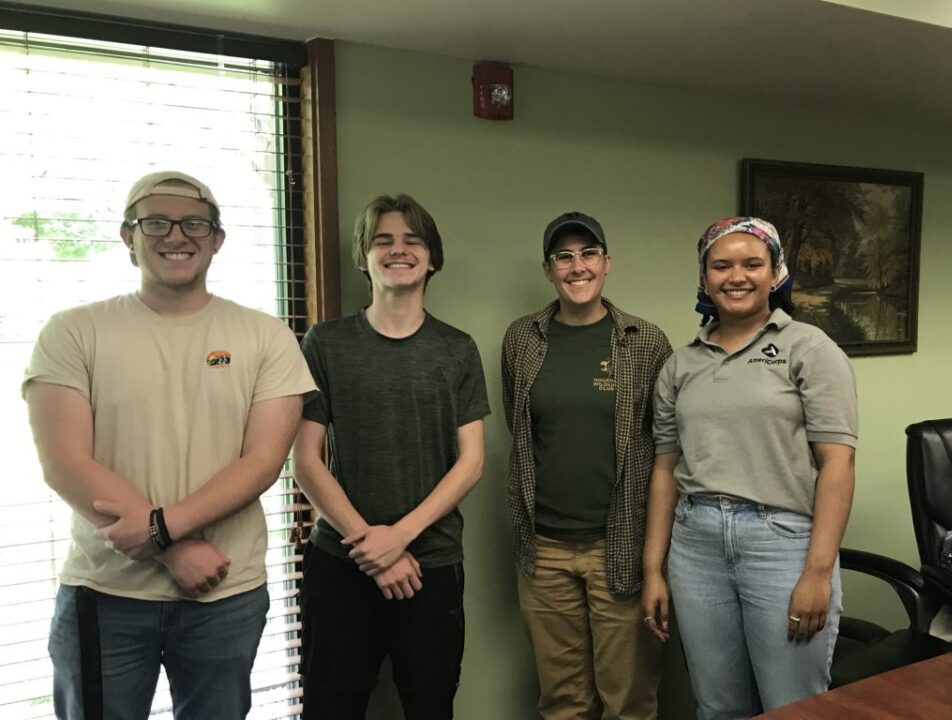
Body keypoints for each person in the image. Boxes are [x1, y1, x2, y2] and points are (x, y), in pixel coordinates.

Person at [22, 171, 318, 719]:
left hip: (224, 593)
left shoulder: (266, 336)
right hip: (105, 594)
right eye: (155, 222)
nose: (175, 236)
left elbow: (262, 461)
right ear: (128, 236)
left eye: (194, 224)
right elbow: (65, 462)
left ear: (217, 239)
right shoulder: (73, 331)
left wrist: (158, 528)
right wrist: (173, 547)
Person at [641, 216, 858, 718]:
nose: (736, 276)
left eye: (751, 264)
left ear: (775, 273)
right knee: (718, 707)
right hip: (695, 545)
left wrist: (818, 573)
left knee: (793, 707)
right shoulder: (680, 365)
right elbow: (665, 468)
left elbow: (838, 464)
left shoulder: (810, 349)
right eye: (721, 266)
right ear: (704, 278)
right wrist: (653, 569)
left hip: (782, 545)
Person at [293, 194, 490, 720]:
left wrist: (398, 537)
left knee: (430, 707)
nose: (397, 250)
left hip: (430, 564)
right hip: (341, 562)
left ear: (432, 258)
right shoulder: (325, 343)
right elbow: (306, 461)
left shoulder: (457, 349)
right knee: (330, 709)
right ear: (364, 257)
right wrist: (370, 546)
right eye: (383, 240)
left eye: (412, 240)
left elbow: (471, 462)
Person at [501, 212, 672, 720]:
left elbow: (666, 450)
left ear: (607, 263)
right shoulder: (522, 339)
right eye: (564, 257)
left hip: (619, 547)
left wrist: (654, 563)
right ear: (548, 270)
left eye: (588, 254)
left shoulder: (645, 341)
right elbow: (520, 428)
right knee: (563, 702)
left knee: (629, 701)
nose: (578, 267)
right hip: (544, 549)